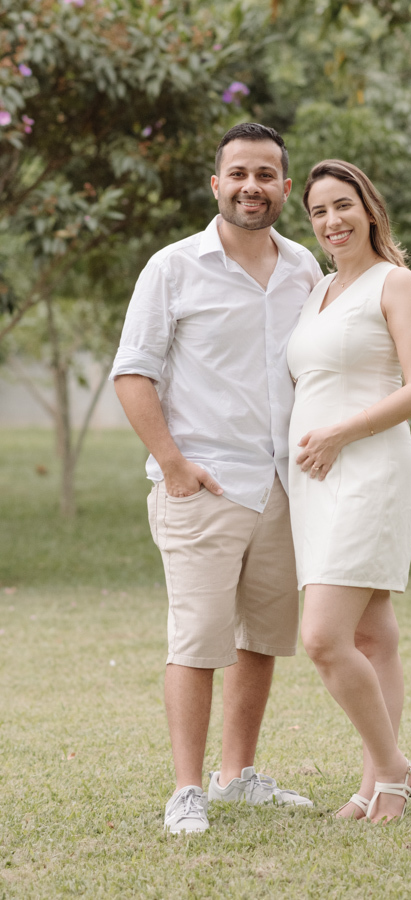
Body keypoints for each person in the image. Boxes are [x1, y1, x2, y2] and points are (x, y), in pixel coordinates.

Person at [110, 123, 323, 834]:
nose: (251, 187)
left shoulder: (305, 272)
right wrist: (172, 464)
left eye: (266, 174)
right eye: (238, 173)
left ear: (286, 189)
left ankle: (236, 778)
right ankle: (186, 789)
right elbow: (133, 371)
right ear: (216, 185)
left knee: (262, 639)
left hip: (282, 488)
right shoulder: (173, 267)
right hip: (203, 486)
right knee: (196, 641)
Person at [287, 160, 411, 824]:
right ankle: (376, 783)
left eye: (342, 206)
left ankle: (396, 769)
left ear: (369, 209)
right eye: (318, 212)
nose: (331, 222)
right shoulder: (317, 290)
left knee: (322, 637)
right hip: (316, 481)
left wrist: (340, 435)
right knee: (373, 636)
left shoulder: (395, 283)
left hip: (369, 473)